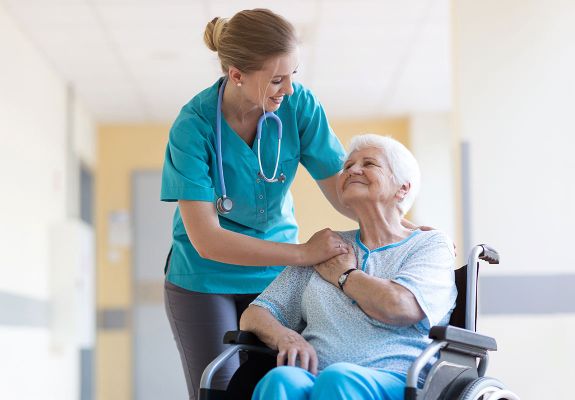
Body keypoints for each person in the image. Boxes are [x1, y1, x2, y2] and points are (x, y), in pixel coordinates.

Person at [160, 8, 357, 400]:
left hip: (275, 279)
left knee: (279, 383)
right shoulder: (193, 126)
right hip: (203, 279)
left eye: (293, 75)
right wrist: (303, 254)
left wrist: (398, 224)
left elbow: (342, 191)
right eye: (277, 80)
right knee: (219, 388)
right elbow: (208, 241)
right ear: (236, 75)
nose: (287, 89)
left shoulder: (298, 106)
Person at [240, 134, 457, 400]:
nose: (352, 170)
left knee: (338, 379)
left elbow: (400, 306)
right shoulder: (326, 247)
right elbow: (256, 313)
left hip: (397, 379)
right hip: (316, 377)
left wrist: (345, 276)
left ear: (402, 188)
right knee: (281, 379)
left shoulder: (429, 244)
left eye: (369, 164)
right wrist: (286, 338)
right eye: (348, 166)